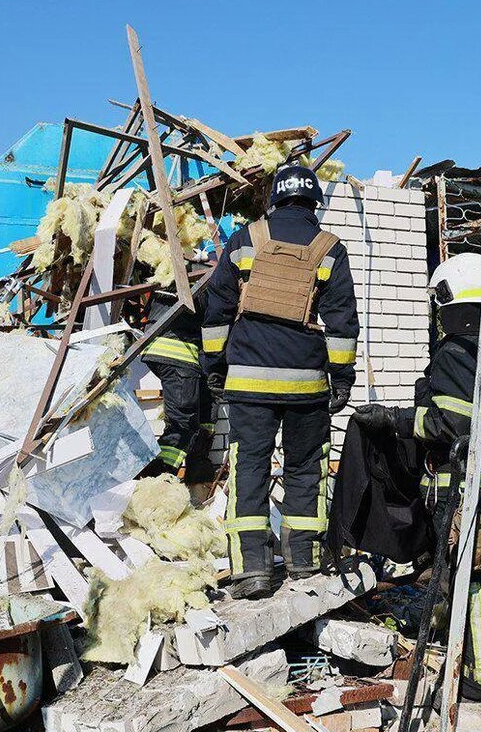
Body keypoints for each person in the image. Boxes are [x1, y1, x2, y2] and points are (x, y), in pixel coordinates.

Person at [354, 251, 481, 698]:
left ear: (450, 297)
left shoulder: (457, 352)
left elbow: (450, 425)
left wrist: (394, 420)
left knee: (471, 577)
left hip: (463, 484)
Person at [202, 165, 360, 600]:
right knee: (305, 466)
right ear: (315, 203)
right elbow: (343, 321)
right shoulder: (330, 248)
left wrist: (214, 365)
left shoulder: (246, 239)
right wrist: (341, 378)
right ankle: (304, 561)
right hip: (307, 385)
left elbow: (217, 307)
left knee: (249, 465)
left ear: (275, 199)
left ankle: (251, 568)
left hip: (249, 381)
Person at [138, 283, 217, 485]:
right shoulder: (204, 279)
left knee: (201, 421)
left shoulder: (185, 272)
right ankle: (158, 481)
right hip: (177, 353)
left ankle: (196, 479)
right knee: (183, 424)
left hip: (184, 354)